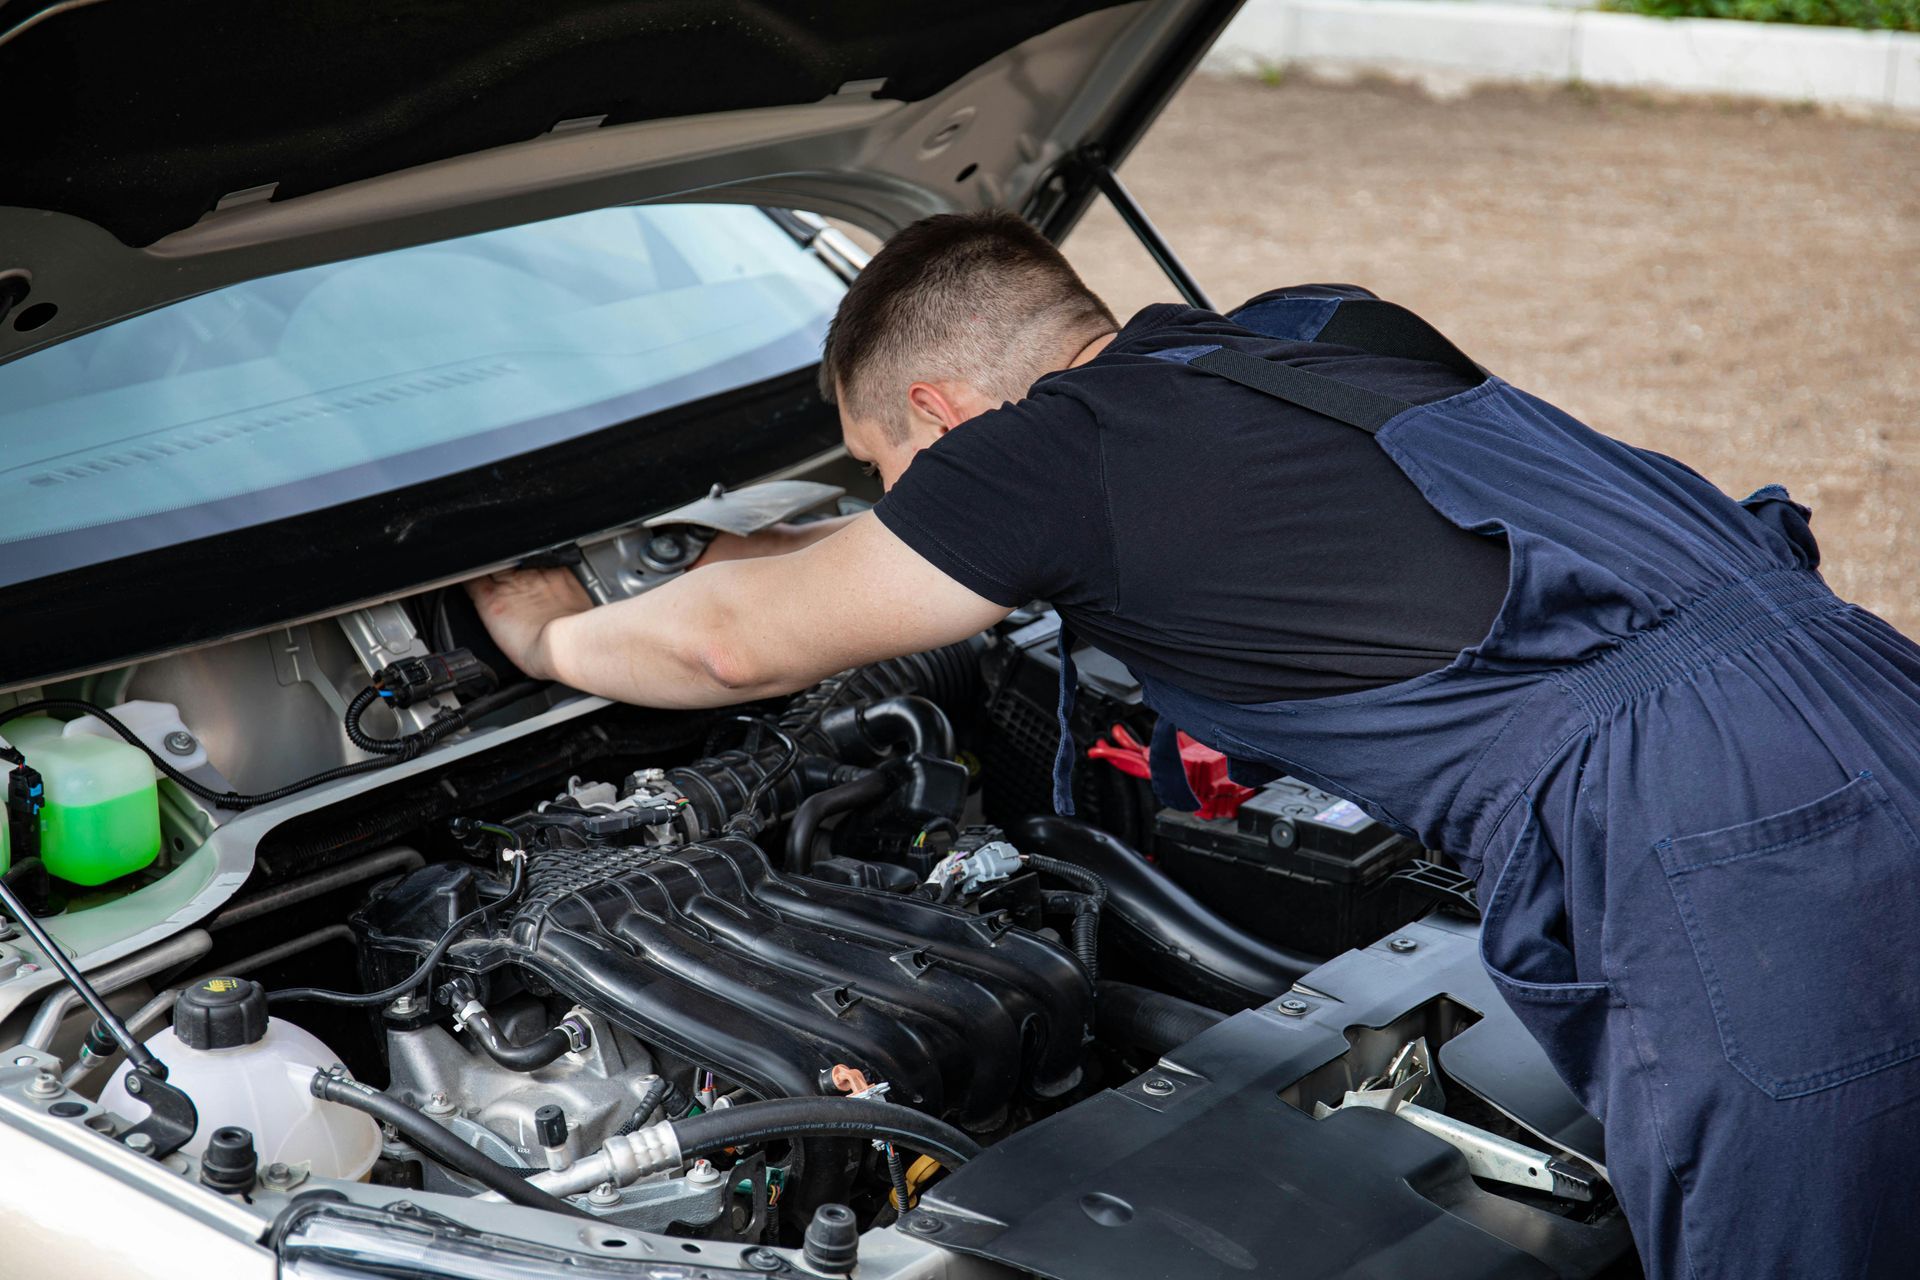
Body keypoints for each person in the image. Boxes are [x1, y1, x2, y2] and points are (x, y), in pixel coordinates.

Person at [472, 211, 1920, 1278]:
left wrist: (543, 637)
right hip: (1864, 694)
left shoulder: (1045, 452)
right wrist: (767, 538)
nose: (908, 497)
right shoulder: (1321, 329)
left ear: (942, 413)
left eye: (888, 468)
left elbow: (731, 645)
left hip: (1717, 834)